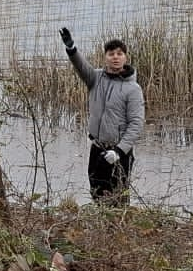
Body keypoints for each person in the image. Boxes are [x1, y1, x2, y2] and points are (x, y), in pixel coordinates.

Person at [60, 26, 145, 206]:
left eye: (120, 53)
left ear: (125, 57)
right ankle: (102, 231)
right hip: (97, 149)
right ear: (105, 57)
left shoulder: (133, 89)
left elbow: (136, 124)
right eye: (111, 53)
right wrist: (71, 49)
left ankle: (119, 232)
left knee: (118, 199)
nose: (115, 57)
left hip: (119, 153)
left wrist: (119, 151)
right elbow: (81, 66)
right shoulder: (95, 78)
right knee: (97, 193)